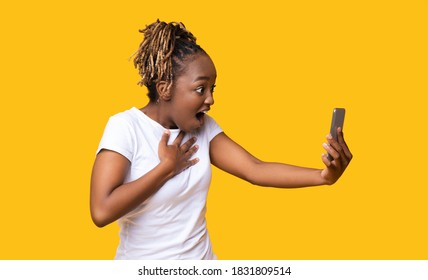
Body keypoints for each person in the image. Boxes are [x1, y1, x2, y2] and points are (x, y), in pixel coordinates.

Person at [90, 19, 353, 260]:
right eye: (200, 89)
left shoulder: (203, 128)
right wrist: (166, 168)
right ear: (165, 88)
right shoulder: (126, 127)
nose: (210, 99)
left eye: (212, 89)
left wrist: (322, 177)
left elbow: (255, 169)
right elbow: (101, 211)